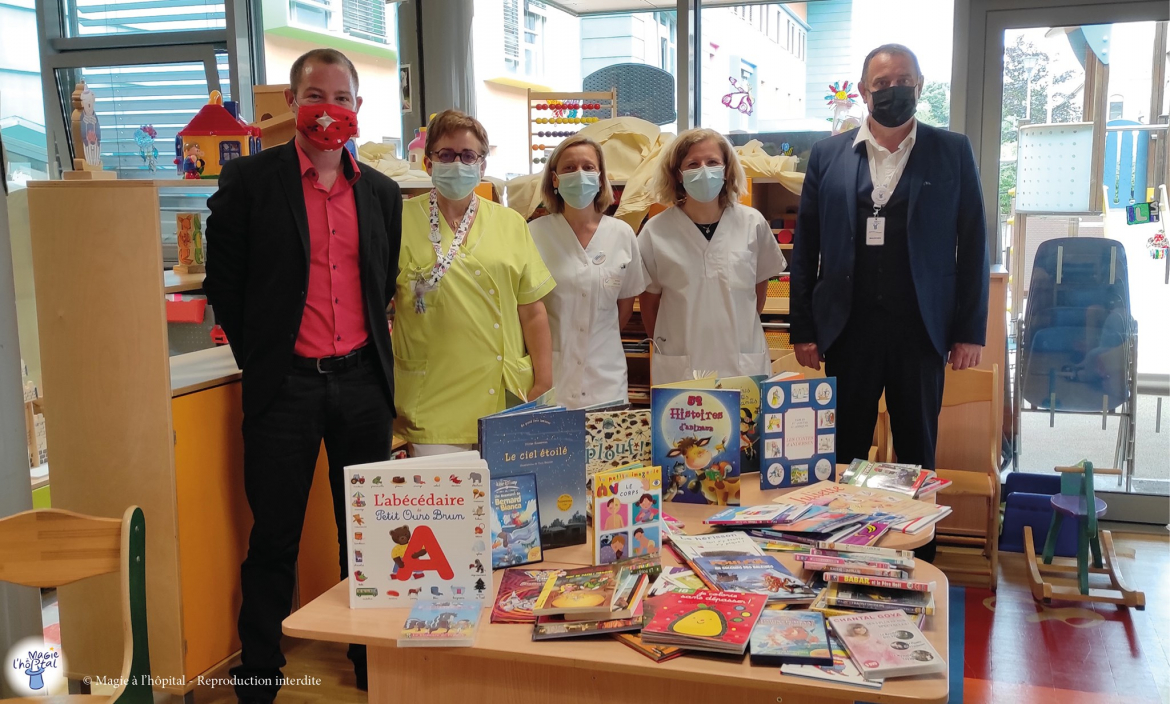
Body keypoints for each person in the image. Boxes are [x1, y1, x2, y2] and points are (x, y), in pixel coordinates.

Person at [204, 48, 400, 703]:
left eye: (341, 97)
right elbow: (224, 286)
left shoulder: (380, 193)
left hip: (362, 385)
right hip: (284, 386)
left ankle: (371, 659)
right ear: (293, 104)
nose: (329, 109)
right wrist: (261, 359)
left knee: (367, 536)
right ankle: (258, 673)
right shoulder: (251, 183)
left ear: (357, 108)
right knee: (274, 538)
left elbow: (383, 282)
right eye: (316, 95)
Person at [789, 43, 989, 471]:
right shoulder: (828, 155)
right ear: (864, 90)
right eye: (882, 83)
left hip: (921, 331)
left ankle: (918, 541)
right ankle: (845, 539)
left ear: (920, 85)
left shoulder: (952, 150)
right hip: (847, 330)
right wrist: (803, 327)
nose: (893, 90)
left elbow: (973, 243)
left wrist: (969, 331)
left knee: (916, 456)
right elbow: (806, 246)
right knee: (844, 456)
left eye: (903, 81)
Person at [393, 110, 555, 455]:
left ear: (482, 166)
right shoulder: (399, 221)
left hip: (504, 393)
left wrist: (543, 380)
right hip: (431, 399)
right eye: (446, 155)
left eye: (467, 156)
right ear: (428, 163)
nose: (457, 163)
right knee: (443, 506)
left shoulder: (510, 223)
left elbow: (533, 310)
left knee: (508, 504)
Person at [638, 128, 786, 382]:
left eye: (713, 162)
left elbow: (758, 289)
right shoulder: (656, 231)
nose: (704, 170)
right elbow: (648, 304)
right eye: (693, 164)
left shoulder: (752, 223)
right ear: (678, 174)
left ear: (726, 170)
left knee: (745, 422)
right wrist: (673, 343)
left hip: (741, 363)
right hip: (681, 365)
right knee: (684, 422)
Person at [528, 136, 646, 408]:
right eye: (569, 168)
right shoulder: (534, 234)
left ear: (601, 178)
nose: (579, 175)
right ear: (555, 180)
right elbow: (526, 310)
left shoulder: (621, 234)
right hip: (550, 377)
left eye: (588, 167)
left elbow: (624, 307)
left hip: (605, 380)